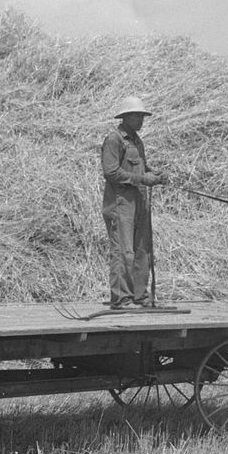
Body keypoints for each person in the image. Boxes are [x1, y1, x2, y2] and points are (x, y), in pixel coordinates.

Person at [100, 96, 166, 309]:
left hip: (139, 202)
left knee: (141, 250)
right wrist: (141, 179)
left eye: (142, 116)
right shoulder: (114, 139)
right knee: (123, 251)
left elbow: (141, 168)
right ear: (126, 117)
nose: (140, 119)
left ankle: (140, 296)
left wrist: (154, 174)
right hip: (121, 204)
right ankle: (122, 299)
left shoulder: (137, 141)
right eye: (137, 115)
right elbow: (110, 172)